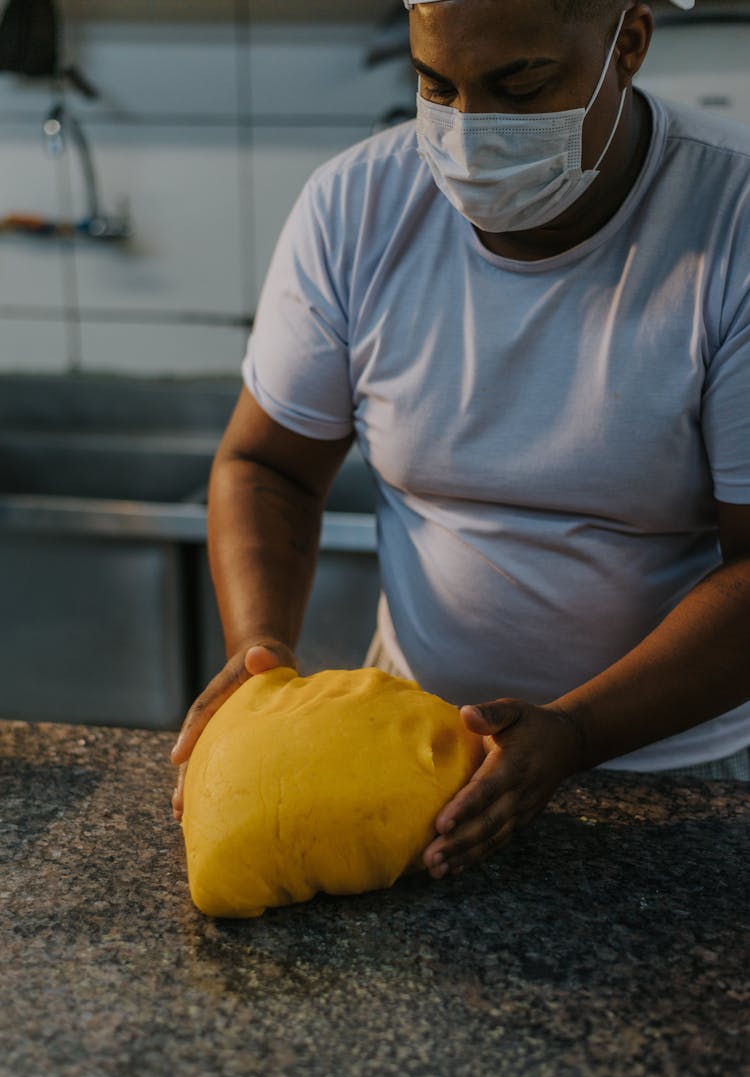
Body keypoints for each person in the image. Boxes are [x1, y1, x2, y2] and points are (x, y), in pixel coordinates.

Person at [171, 0, 750, 882]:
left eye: (520, 85)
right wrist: (260, 654)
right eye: (437, 87)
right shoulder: (357, 207)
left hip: (678, 774)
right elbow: (268, 467)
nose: (470, 134)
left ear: (626, 43)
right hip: (404, 758)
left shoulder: (731, 220)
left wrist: (577, 732)